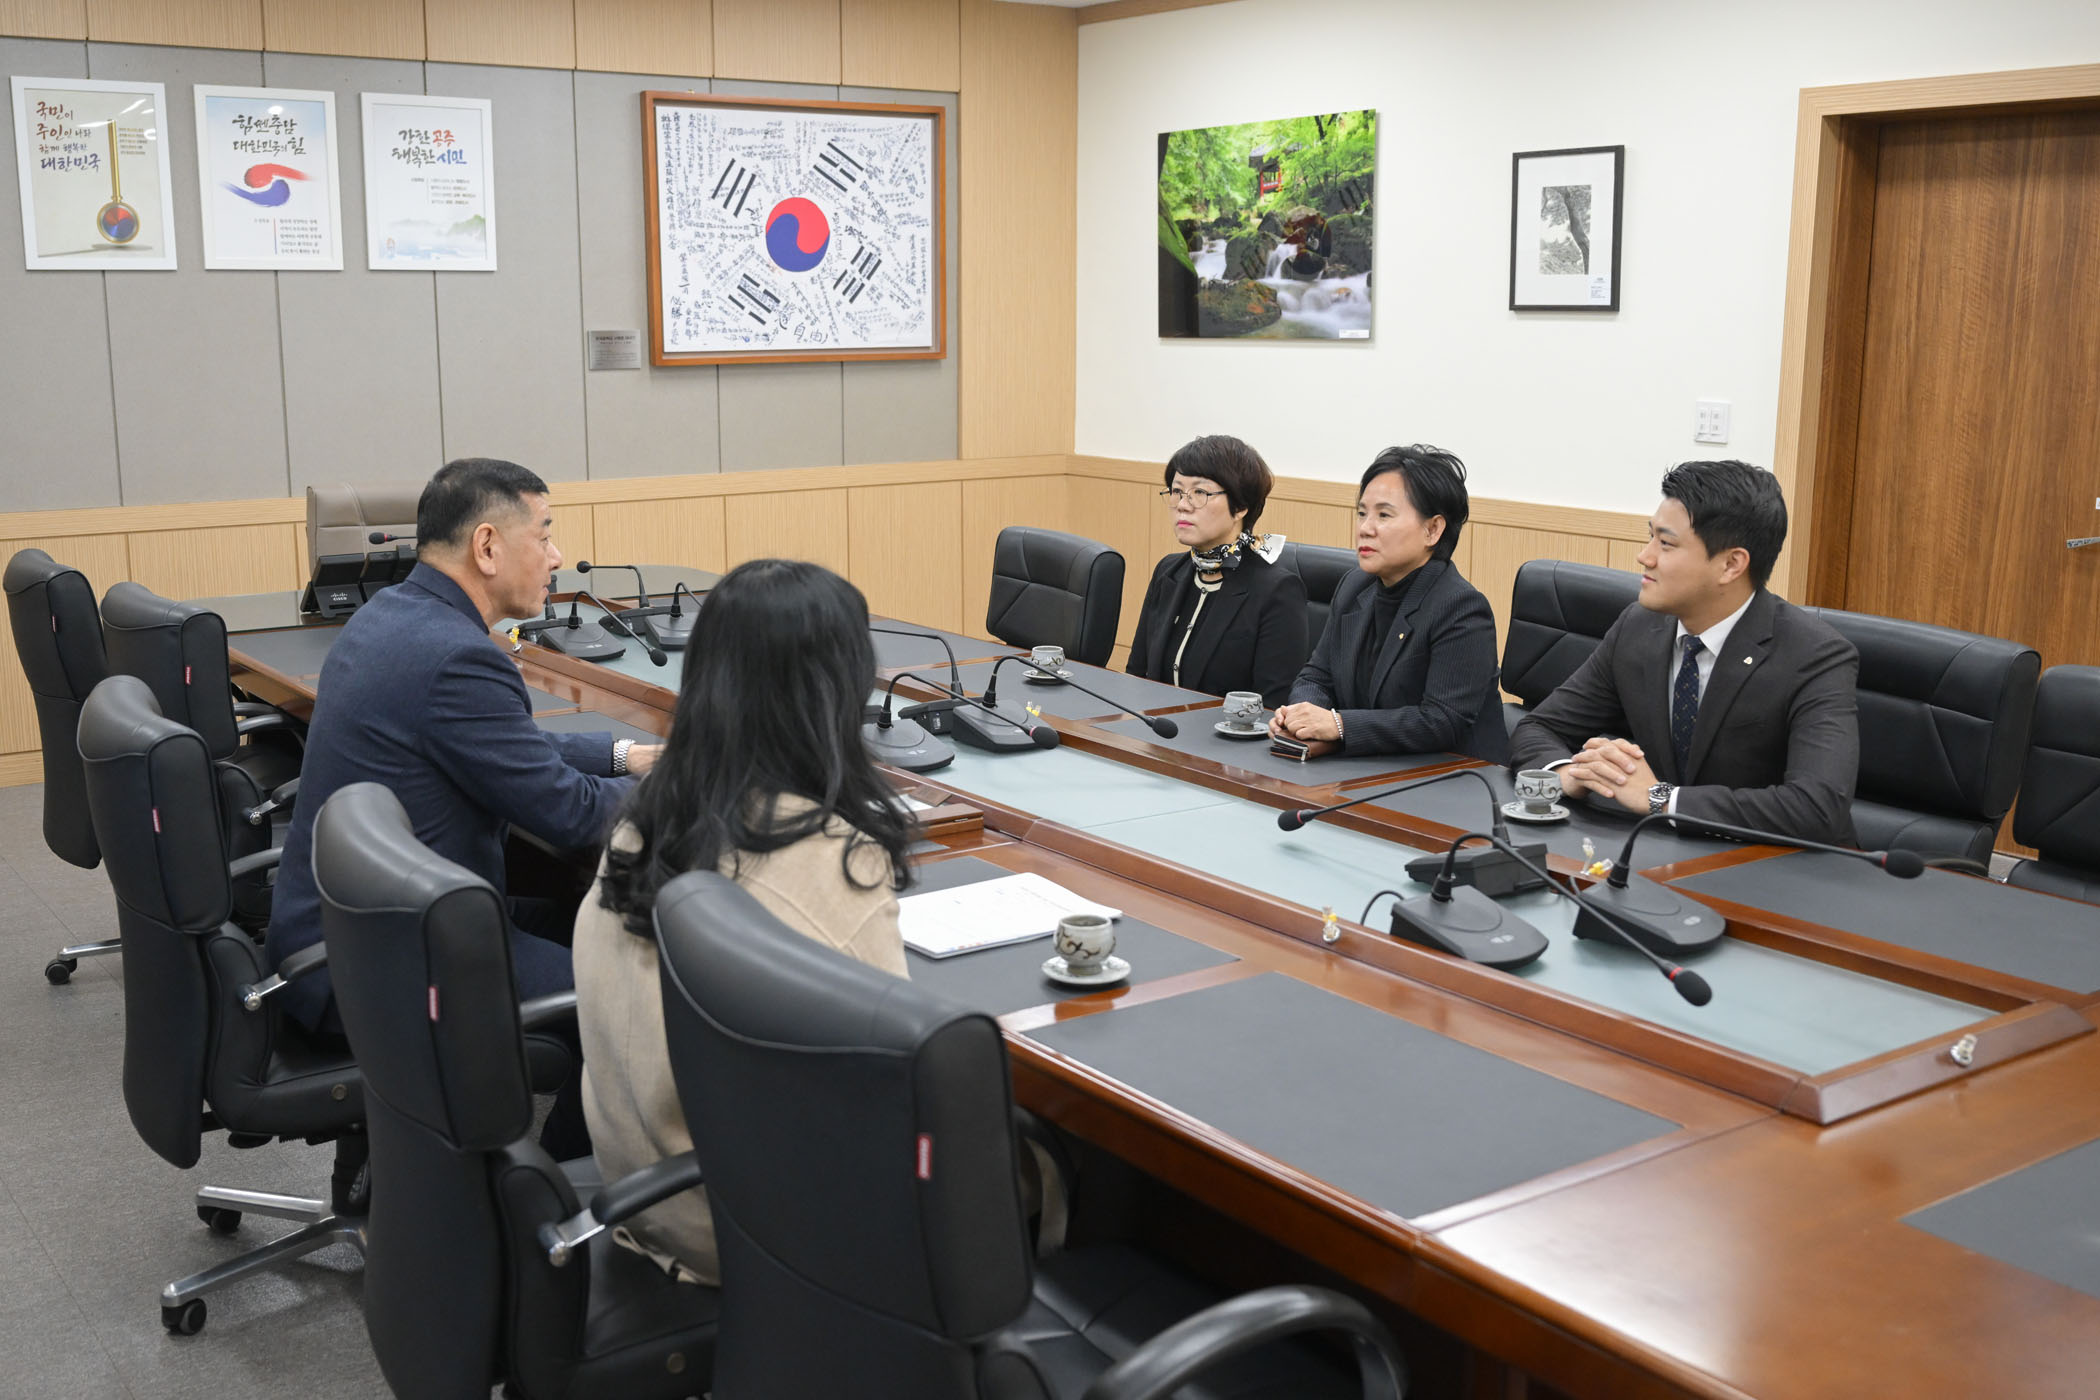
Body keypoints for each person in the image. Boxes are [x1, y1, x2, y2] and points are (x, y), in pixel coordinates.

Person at [574, 558, 915, 1287]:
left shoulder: (643, 821)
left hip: (640, 1190)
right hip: (749, 1230)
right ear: (837, 691)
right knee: (1037, 1155)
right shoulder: (832, 858)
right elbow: (898, 1089)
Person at [266, 456, 656, 1045]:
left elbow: (503, 746)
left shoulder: (390, 614)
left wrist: (625, 756)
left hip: (351, 926)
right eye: (544, 536)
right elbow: (572, 813)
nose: (555, 557)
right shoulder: (458, 658)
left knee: (600, 923)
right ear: (487, 547)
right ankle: (561, 1109)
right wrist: (689, 785)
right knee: (632, 1001)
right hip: (386, 963)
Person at [1507, 460, 1860, 845]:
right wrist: (1571, 774)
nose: (1645, 556)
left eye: (1666, 543)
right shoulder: (1639, 626)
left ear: (1731, 565)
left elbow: (1817, 807)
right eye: (1650, 537)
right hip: (1661, 855)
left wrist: (1661, 799)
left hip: (1777, 867)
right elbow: (1540, 727)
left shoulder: (1815, 656)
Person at [1273, 445, 1507, 761]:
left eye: (1384, 515)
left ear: (1432, 530)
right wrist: (1303, 717)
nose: (1365, 528)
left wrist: (1339, 725)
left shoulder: (1460, 607)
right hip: (1367, 766)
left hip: (1450, 775)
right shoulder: (1354, 586)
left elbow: (1442, 720)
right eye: (1362, 513)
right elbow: (1316, 676)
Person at [1126, 434, 1309, 707]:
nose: (1183, 505)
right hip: (1157, 727)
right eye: (1176, 491)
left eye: (1200, 493)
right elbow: (1136, 675)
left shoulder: (1277, 591)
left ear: (1241, 506)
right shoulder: (1168, 571)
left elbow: (1273, 706)